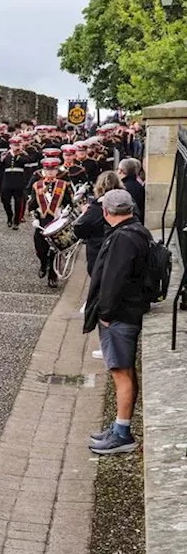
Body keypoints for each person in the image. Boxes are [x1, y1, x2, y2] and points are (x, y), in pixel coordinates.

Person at [83, 189, 152, 455]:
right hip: (128, 310)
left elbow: (114, 280)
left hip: (120, 315)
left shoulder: (123, 238)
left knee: (121, 372)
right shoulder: (135, 231)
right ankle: (118, 426)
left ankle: (122, 433)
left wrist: (106, 314)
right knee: (123, 371)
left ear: (106, 211)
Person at [28, 158, 74, 288]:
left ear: (56, 171)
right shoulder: (37, 185)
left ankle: (52, 276)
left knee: (56, 250)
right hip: (42, 221)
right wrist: (34, 218)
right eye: (47, 170)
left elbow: (69, 203)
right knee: (40, 249)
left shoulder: (63, 185)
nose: (50, 173)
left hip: (56, 220)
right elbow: (32, 205)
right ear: (43, 171)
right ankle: (43, 264)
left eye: (53, 170)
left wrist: (65, 212)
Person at [72, 171, 124, 277]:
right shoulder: (126, 201)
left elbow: (79, 230)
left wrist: (84, 214)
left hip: (99, 253)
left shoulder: (96, 208)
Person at [0, 136, 33, 230]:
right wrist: (1, 160)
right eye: (14, 145)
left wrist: (18, 155)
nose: (16, 147)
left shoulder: (23, 155)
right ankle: (9, 216)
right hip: (7, 180)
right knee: (5, 200)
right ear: (10, 145)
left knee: (18, 202)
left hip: (19, 180)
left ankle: (16, 221)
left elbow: (27, 161)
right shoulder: (5, 154)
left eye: (18, 145)